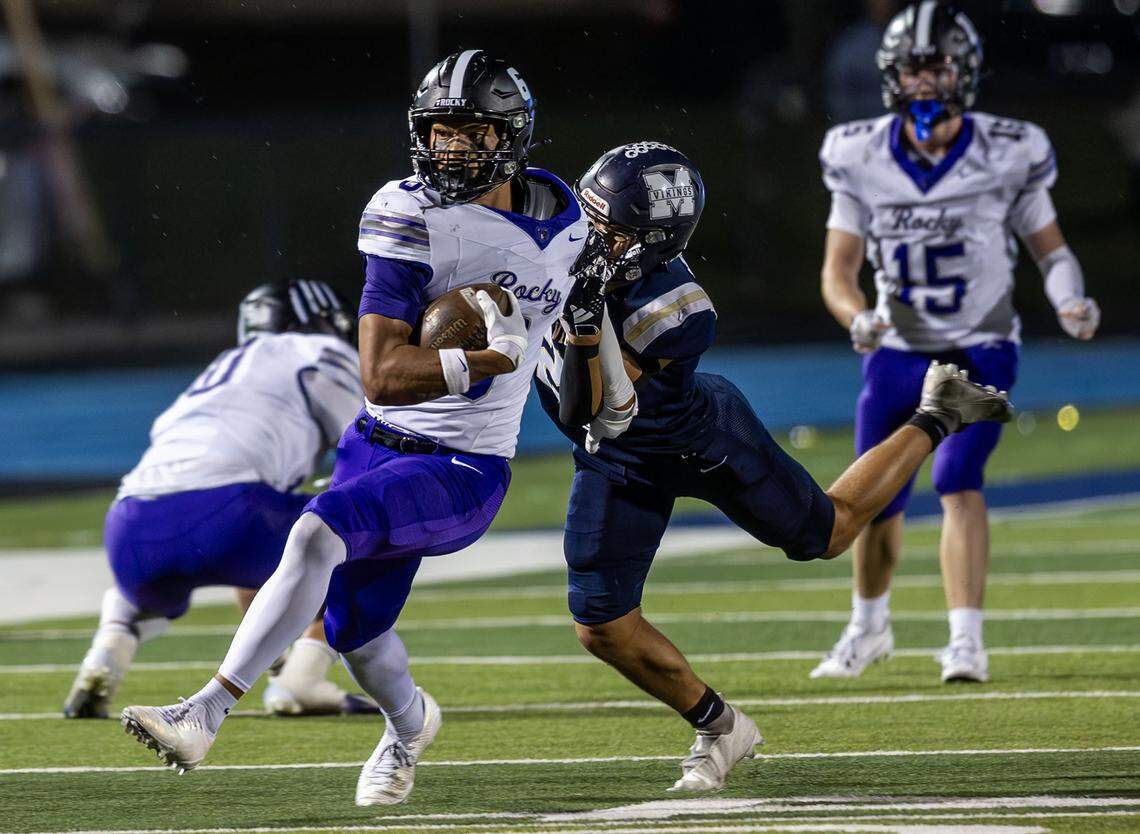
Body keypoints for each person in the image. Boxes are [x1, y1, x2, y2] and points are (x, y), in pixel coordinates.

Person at [119, 50, 587, 807]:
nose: (450, 148)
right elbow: (381, 375)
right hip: (375, 443)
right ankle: (409, 728)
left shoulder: (568, 219)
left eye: (469, 131)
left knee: (312, 535)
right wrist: (486, 359)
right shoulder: (410, 212)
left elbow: (594, 312)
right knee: (356, 635)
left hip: (463, 466)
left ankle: (203, 711)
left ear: (512, 135)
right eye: (437, 132)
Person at [536, 141, 1013, 792]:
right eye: (589, 219)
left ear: (650, 242)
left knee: (828, 535)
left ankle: (939, 414)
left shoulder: (675, 309)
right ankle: (720, 726)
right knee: (601, 626)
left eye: (609, 233)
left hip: (699, 440)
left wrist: (587, 330)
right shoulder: (559, 241)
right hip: (619, 460)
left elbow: (595, 408)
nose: (589, 240)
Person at [813, 1, 1099, 684]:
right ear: (892, 74)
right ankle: (868, 628)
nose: (923, 80)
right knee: (872, 491)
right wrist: (856, 317)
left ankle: (965, 640)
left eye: (936, 65)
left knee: (956, 478)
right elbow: (838, 272)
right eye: (912, 67)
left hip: (981, 347)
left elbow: (1051, 252)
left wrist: (1069, 299)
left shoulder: (1009, 149)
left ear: (964, 70)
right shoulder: (857, 152)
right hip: (898, 350)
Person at [64, 279, 372, 719]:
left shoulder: (222, 369)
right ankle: (303, 678)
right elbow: (362, 449)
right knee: (362, 525)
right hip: (233, 518)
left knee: (271, 524)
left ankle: (108, 649)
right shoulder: (320, 354)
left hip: (129, 529)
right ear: (323, 319)